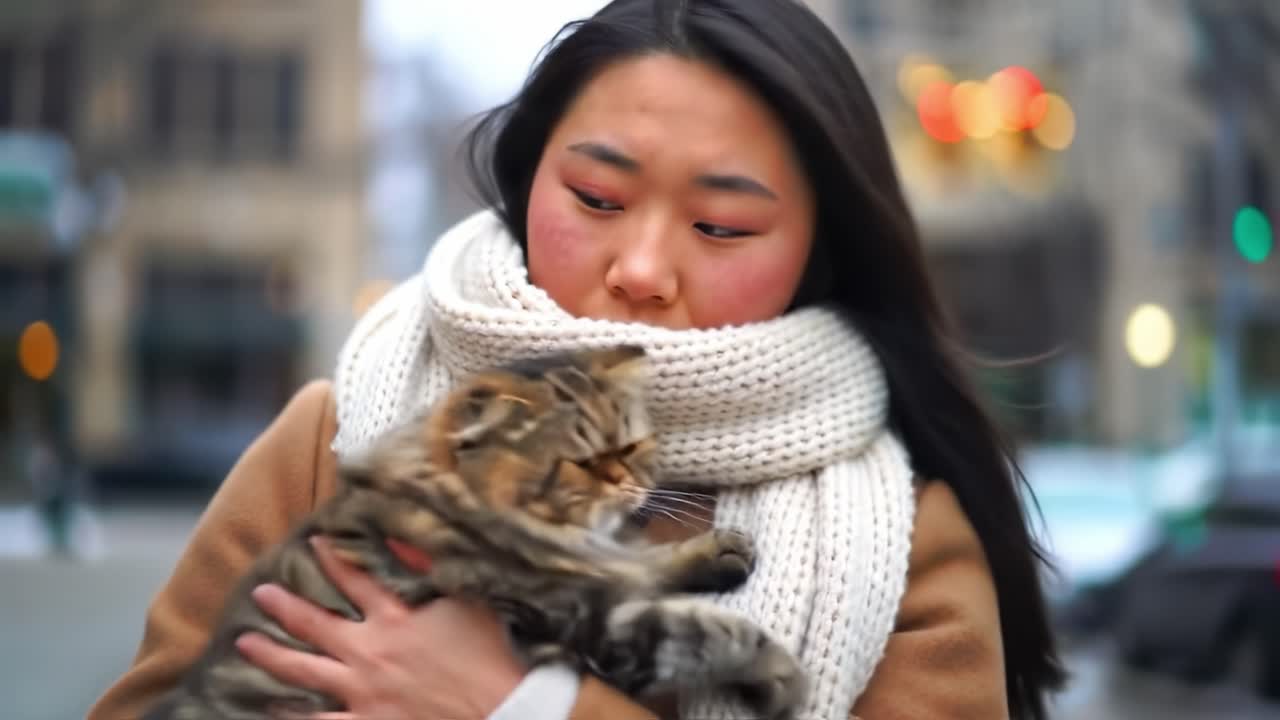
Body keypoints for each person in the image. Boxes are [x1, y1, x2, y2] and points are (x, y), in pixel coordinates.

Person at [89, 0, 1067, 718]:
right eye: (596, 200)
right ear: (526, 187)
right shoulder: (336, 433)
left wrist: (520, 705)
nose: (640, 269)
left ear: (819, 250)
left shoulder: (902, 543)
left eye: (720, 226)